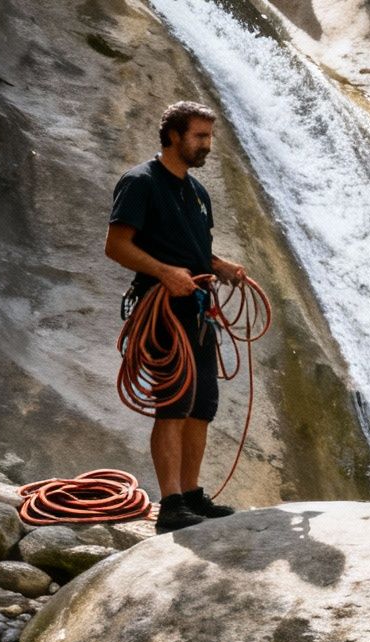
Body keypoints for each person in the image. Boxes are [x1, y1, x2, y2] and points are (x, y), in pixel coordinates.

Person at [105, 100, 250, 533]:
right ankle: (170, 504)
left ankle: (190, 494)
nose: (207, 145)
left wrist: (219, 264)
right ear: (173, 136)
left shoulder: (197, 191)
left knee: (201, 406)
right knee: (172, 406)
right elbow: (116, 245)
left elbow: (195, 249)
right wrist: (164, 273)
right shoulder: (140, 183)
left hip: (199, 310)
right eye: (199, 137)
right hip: (162, 310)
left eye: (209, 137)